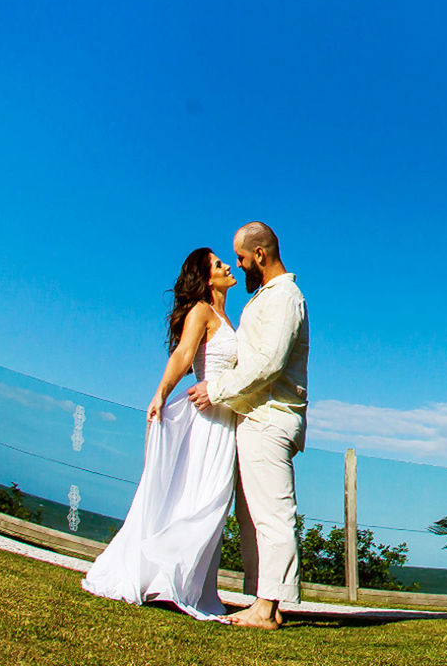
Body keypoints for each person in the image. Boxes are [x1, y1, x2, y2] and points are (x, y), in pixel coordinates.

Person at [81, 248, 240, 621]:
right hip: (207, 418)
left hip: (225, 419)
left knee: (212, 500)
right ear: (206, 278)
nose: (227, 266)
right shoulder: (202, 310)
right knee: (207, 498)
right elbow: (184, 354)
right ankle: (166, 577)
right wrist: (160, 394)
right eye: (219, 265)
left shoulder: (226, 317)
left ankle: (184, 584)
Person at [191, 221, 309, 632]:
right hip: (255, 417)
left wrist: (216, 388)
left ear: (259, 254)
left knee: (272, 514)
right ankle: (266, 603)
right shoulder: (264, 299)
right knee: (251, 515)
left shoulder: (284, 298)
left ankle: (267, 607)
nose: (238, 266)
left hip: (270, 419)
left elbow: (268, 364)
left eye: (240, 258)